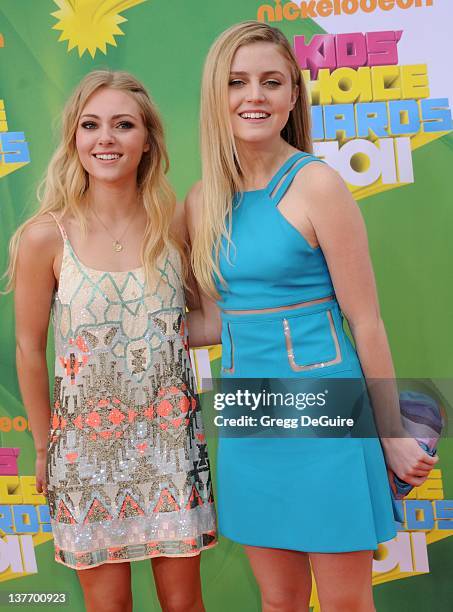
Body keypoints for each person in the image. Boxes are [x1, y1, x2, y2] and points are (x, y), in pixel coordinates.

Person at [185, 22, 437, 611]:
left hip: (328, 416)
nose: (255, 96)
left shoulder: (317, 184)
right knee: (279, 603)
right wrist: (125, 329)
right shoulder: (201, 202)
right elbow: (216, 322)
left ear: (293, 97)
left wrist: (391, 433)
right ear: (215, 96)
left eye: (271, 82)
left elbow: (366, 321)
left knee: (346, 603)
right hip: (251, 418)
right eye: (237, 82)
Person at [7, 70, 216, 612]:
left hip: (171, 446)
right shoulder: (44, 236)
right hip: (84, 457)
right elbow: (29, 349)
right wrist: (42, 447)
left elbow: (205, 322)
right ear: (74, 140)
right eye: (90, 125)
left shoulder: (175, 223)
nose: (106, 138)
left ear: (147, 139)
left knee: (184, 606)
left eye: (123, 125)